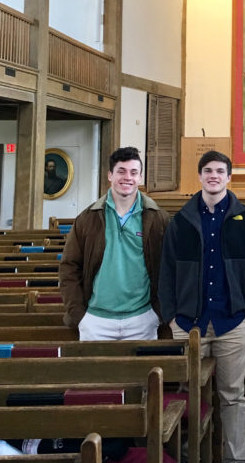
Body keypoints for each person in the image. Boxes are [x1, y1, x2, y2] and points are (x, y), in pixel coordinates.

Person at [159, 149, 245, 463]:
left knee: (233, 396)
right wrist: (171, 315)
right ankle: (187, 459)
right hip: (188, 323)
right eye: (208, 170)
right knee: (185, 394)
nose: (214, 176)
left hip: (232, 321)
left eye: (220, 171)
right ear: (200, 176)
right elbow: (166, 271)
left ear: (229, 177)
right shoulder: (181, 221)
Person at [59, 146, 168, 341]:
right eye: (121, 171)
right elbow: (69, 267)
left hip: (143, 319)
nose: (128, 177)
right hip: (95, 321)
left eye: (133, 172)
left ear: (140, 177)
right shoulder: (87, 219)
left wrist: (157, 313)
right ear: (110, 175)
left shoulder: (159, 219)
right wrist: (80, 316)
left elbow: (172, 269)